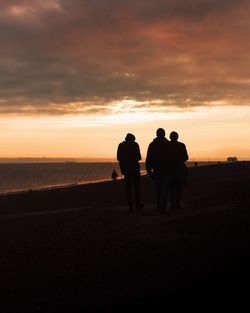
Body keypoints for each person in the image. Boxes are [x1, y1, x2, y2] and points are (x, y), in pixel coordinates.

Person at [146, 128, 172, 213]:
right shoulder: (168, 144)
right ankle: (162, 207)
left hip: (159, 170)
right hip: (164, 170)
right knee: (163, 190)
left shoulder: (153, 145)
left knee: (160, 190)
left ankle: (160, 207)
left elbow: (148, 159)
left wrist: (149, 170)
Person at [117, 133, 142, 212]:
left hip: (127, 169)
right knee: (136, 187)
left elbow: (119, 158)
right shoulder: (135, 145)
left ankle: (131, 205)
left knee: (129, 188)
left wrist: (123, 168)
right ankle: (136, 204)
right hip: (134, 169)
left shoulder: (121, 145)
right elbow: (139, 157)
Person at [169, 131, 189, 210]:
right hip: (179, 169)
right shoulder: (181, 145)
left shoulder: (167, 146)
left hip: (171, 170)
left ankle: (173, 205)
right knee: (178, 189)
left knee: (172, 189)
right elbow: (186, 157)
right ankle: (177, 204)